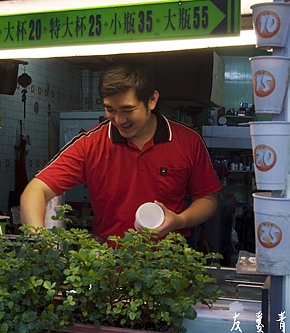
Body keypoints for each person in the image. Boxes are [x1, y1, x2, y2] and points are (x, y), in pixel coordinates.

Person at [20, 62, 221, 244]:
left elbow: (208, 199)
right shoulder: (91, 144)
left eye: (127, 110)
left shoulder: (188, 141)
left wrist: (179, 220)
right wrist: (39, 242)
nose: (119, 120)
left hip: (169, 267)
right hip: (109, 265)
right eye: (110, 110)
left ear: (152, 100)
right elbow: (35, 191)